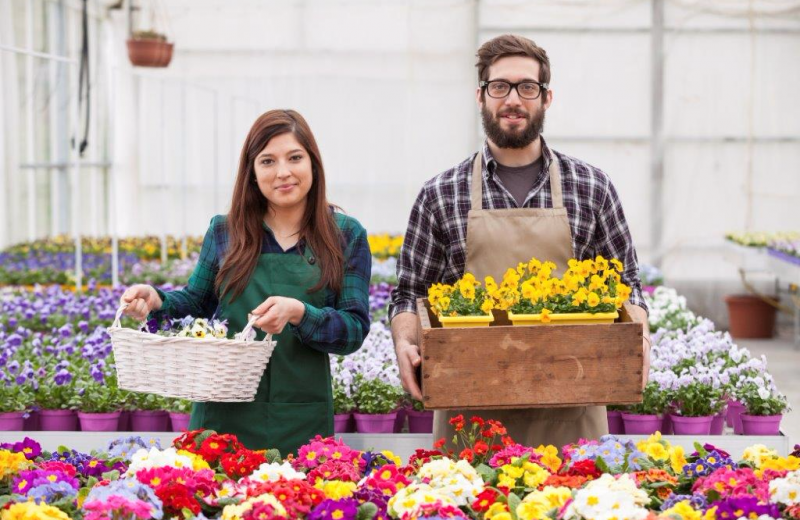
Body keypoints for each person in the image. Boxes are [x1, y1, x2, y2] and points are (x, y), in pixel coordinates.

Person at [389, 34, 651, 449]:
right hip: (470, 419)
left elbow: (628, 279)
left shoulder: (591, 187)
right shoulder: (441, 193)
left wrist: (638, 333)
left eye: (528, 87)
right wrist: (405, 342)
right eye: (500, 87)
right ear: (481, 96)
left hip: (572, 414)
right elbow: (410, 293)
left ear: (546, 98)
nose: (513, 99)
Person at [120, 109, 371, 456]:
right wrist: (156, 300)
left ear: (313, 163)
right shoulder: (225, 231)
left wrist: (300, 313)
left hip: (301, 418)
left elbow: (353, 329)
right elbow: (196, 303)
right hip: (222, 420)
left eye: (294, 158)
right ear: (252, 172)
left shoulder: (344, 235)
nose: (283, 172)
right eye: (267, 161)